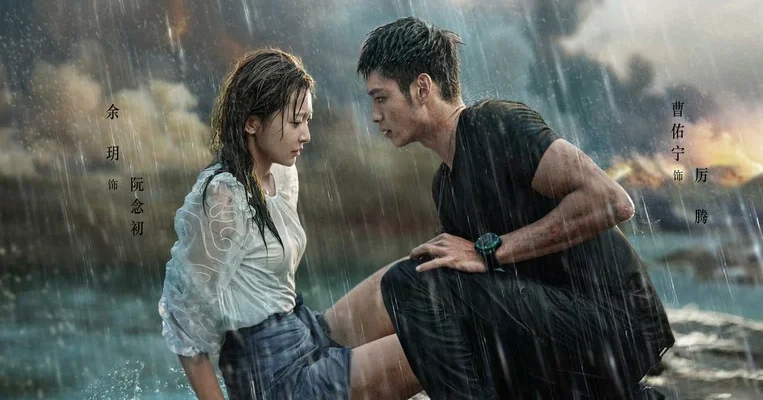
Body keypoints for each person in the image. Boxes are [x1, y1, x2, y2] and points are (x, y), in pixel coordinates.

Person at [356, 17, 675, 399]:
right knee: (434, 280)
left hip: (616, 325)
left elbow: (611, 201)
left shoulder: (495, 124)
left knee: (409, 282)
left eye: (381, 98)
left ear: (422, 88)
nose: (375, 115)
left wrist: (490, 251)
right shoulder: (445, 187)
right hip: (559, 333)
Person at [158, 48, 421, 400]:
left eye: (307, 120)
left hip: (302, 330)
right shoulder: (224, 198)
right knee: (431, 348)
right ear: (252, 123)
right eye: (296, 122)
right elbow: (184, 322)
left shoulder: (282, 174)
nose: (306, 134)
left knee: (417, 276)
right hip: (271, 378)